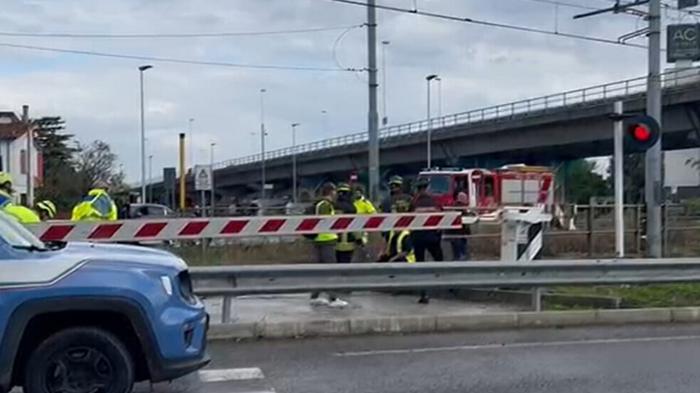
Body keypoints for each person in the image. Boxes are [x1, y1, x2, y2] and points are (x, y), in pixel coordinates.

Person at [309, 182, 348, 308]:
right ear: (331, 192)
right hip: (326, 240)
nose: (336, 193)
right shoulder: (325, 205)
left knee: (320, 271)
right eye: (335, 191)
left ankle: (315, 296)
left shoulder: (319, 203)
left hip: (320, 240)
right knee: (331, 270)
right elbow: (324, 222)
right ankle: (333, 298)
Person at [410, 177, 444, 304]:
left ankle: (424, 293)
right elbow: (442, 218)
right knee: (439, 262)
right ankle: (444, 287)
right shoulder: (434, 201)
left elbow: (408, 219)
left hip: (418, 237)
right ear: (428, 187)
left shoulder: (414, 202)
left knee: (421, 266)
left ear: (418, 188)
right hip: (432, 237)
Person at [334, 183, 357, 264]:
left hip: (335, 239)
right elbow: (355, 224)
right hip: (348, 240)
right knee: (347, 261)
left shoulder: (334, 205)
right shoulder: (351, 207)